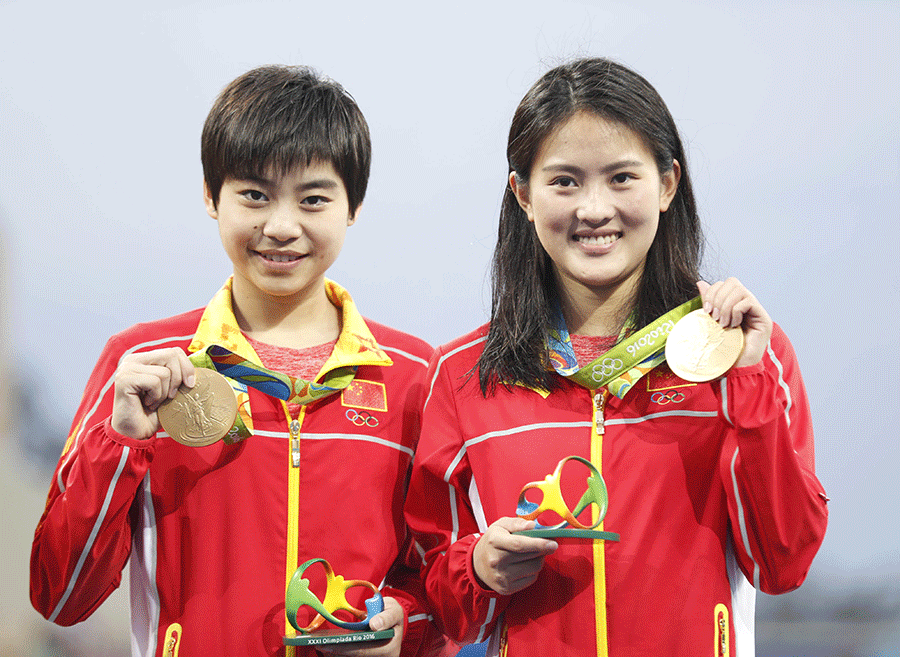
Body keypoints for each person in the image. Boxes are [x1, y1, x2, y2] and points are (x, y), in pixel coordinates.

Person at [405, 58, 829, 656]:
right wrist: (477, 568)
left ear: (668, 184)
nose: (594, 209)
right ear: (523, 195)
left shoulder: (741, 352)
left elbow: (784, 563)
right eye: (565, 182)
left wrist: (748, 380)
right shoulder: (463, 374)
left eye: (622, 178)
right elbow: (434, 601)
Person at [31, 65, 448, 657]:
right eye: (254, 195)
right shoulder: (143, 366)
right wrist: (120, 443)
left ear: (352, 205)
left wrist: (407, 623)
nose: (281, 227)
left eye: (313, 199)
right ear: (211, 195)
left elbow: (447, 578)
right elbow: (59, 597)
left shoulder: (415, 375)